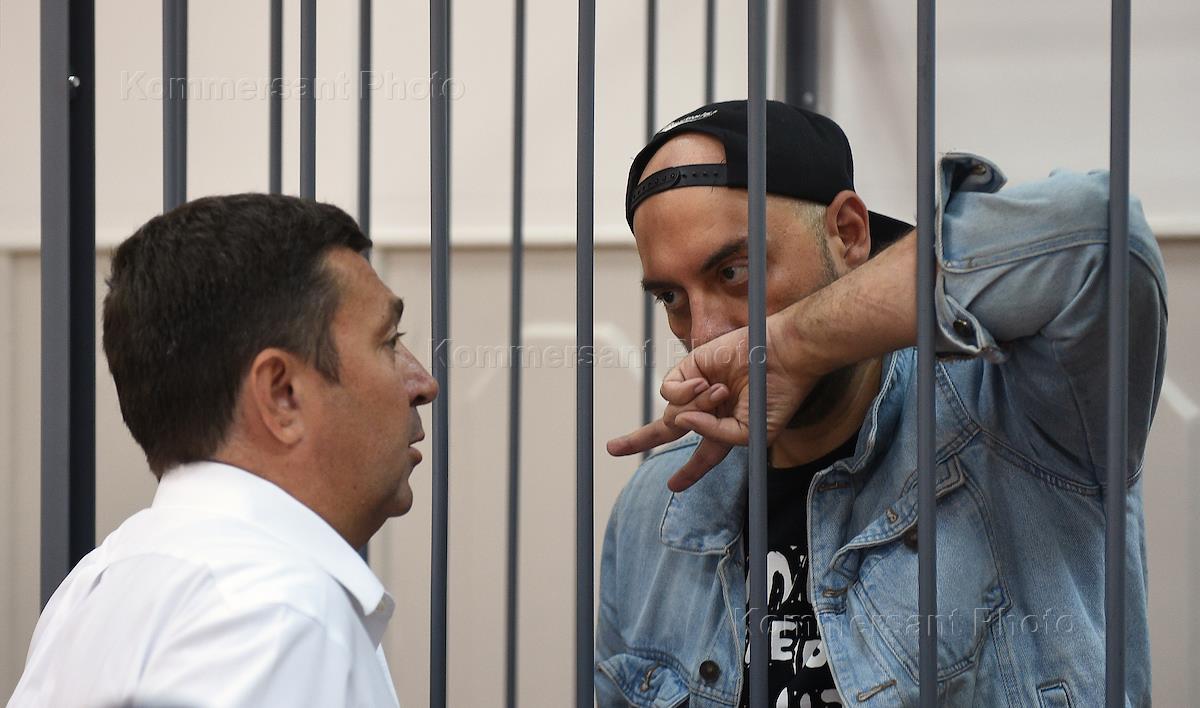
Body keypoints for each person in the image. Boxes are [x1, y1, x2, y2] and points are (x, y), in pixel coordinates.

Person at [596, 100, 1166, 707]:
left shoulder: (1017, 417)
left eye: (735, 272)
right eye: (672, 298)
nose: (704, 335)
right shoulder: (656, 509)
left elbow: (1101, 236)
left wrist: (792, 344)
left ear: (849, 233)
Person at [9, 194, 437, 707]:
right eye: (389, 341)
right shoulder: (275, 610)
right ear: (282, 394)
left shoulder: (96, 586)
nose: (424, 383)